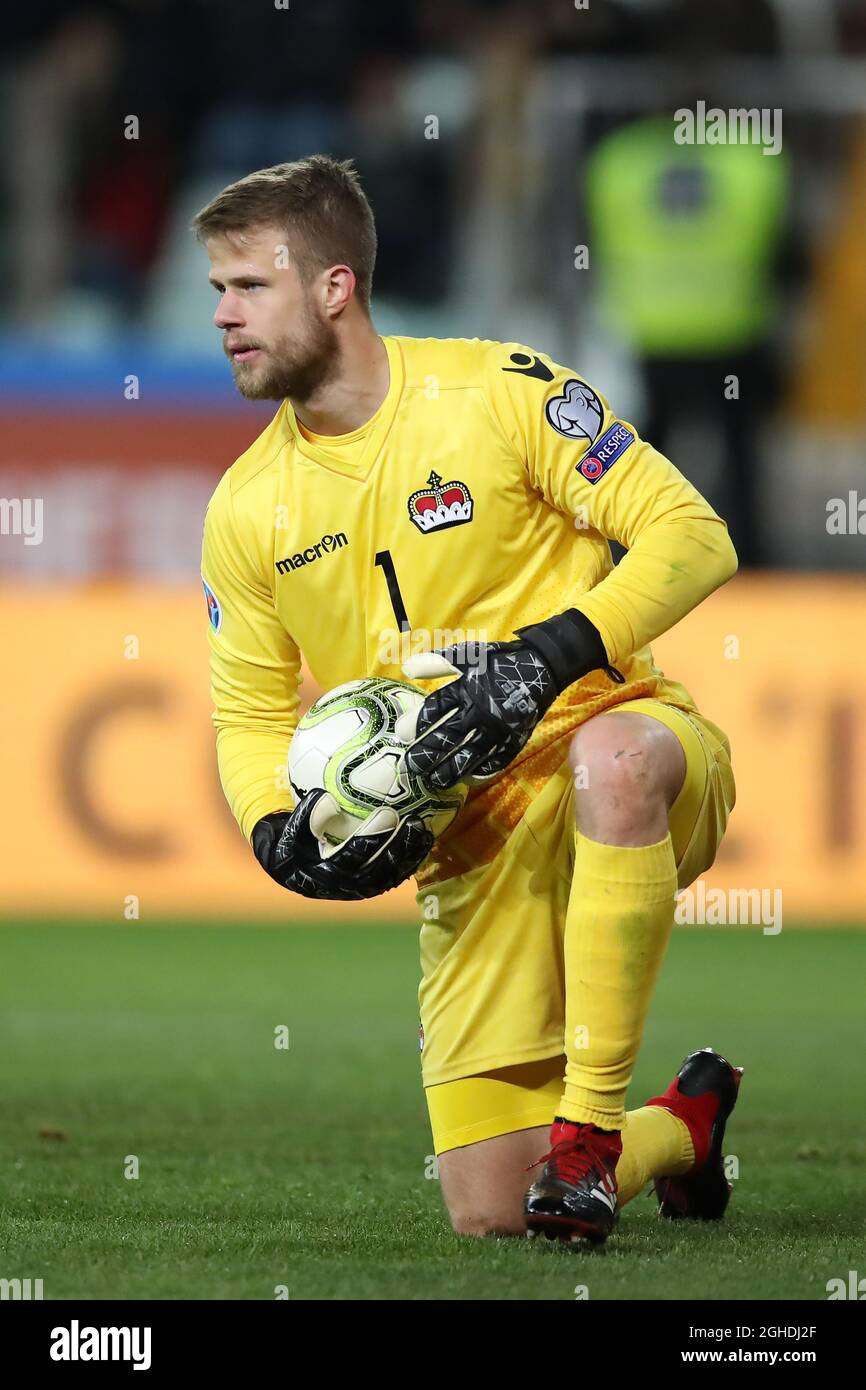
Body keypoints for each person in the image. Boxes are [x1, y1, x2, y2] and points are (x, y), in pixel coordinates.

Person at [197, 155, 741, 1244]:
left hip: (618, 744)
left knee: (616, 760)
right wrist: (271, 826)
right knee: (492, 1215)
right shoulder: (246, 510)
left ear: (334, 286)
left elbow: (693, 535)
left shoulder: (499, 391)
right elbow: (250, 711)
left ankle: (588, 1129)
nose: (222, 316)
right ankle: (679, 1126)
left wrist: (547, 659)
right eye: (216, 290)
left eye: (247, 286)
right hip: (466, 843)